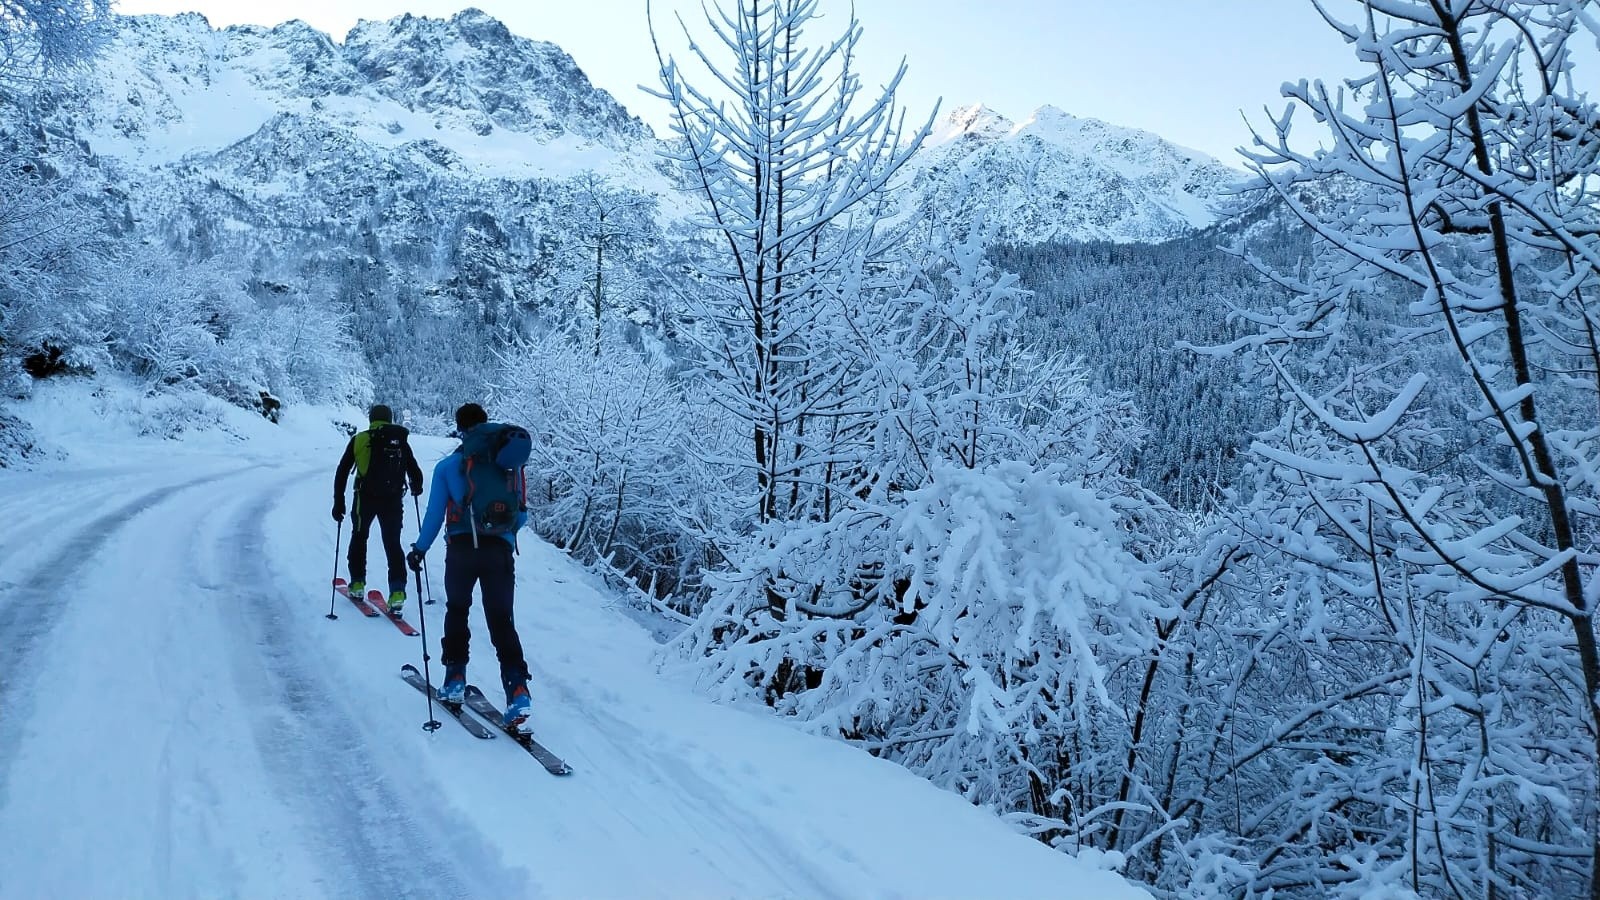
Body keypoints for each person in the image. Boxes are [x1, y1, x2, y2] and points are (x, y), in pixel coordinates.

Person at [406, 402, 533, 731]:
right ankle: (518, 691)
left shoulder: (450, 466)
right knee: (502, 621)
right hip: (500, 553)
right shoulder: (510, 466)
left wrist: (419, 550)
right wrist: (503, 535)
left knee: (458, 610)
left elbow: (434, 515)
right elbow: (521, 514)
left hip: (462, 550)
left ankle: (455, 679)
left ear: (460, 429)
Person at [333, 403, 424, 614]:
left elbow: (342, 471)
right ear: (390, 419)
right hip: (392, 500)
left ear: (370, 418)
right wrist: (416, 487)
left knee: (359, 537)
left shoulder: (360, 439)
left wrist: (339, 502)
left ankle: (356, 584)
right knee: (393, 544)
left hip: (364, 498)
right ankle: (398, 592)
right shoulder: (400, 442)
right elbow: (415, 472)